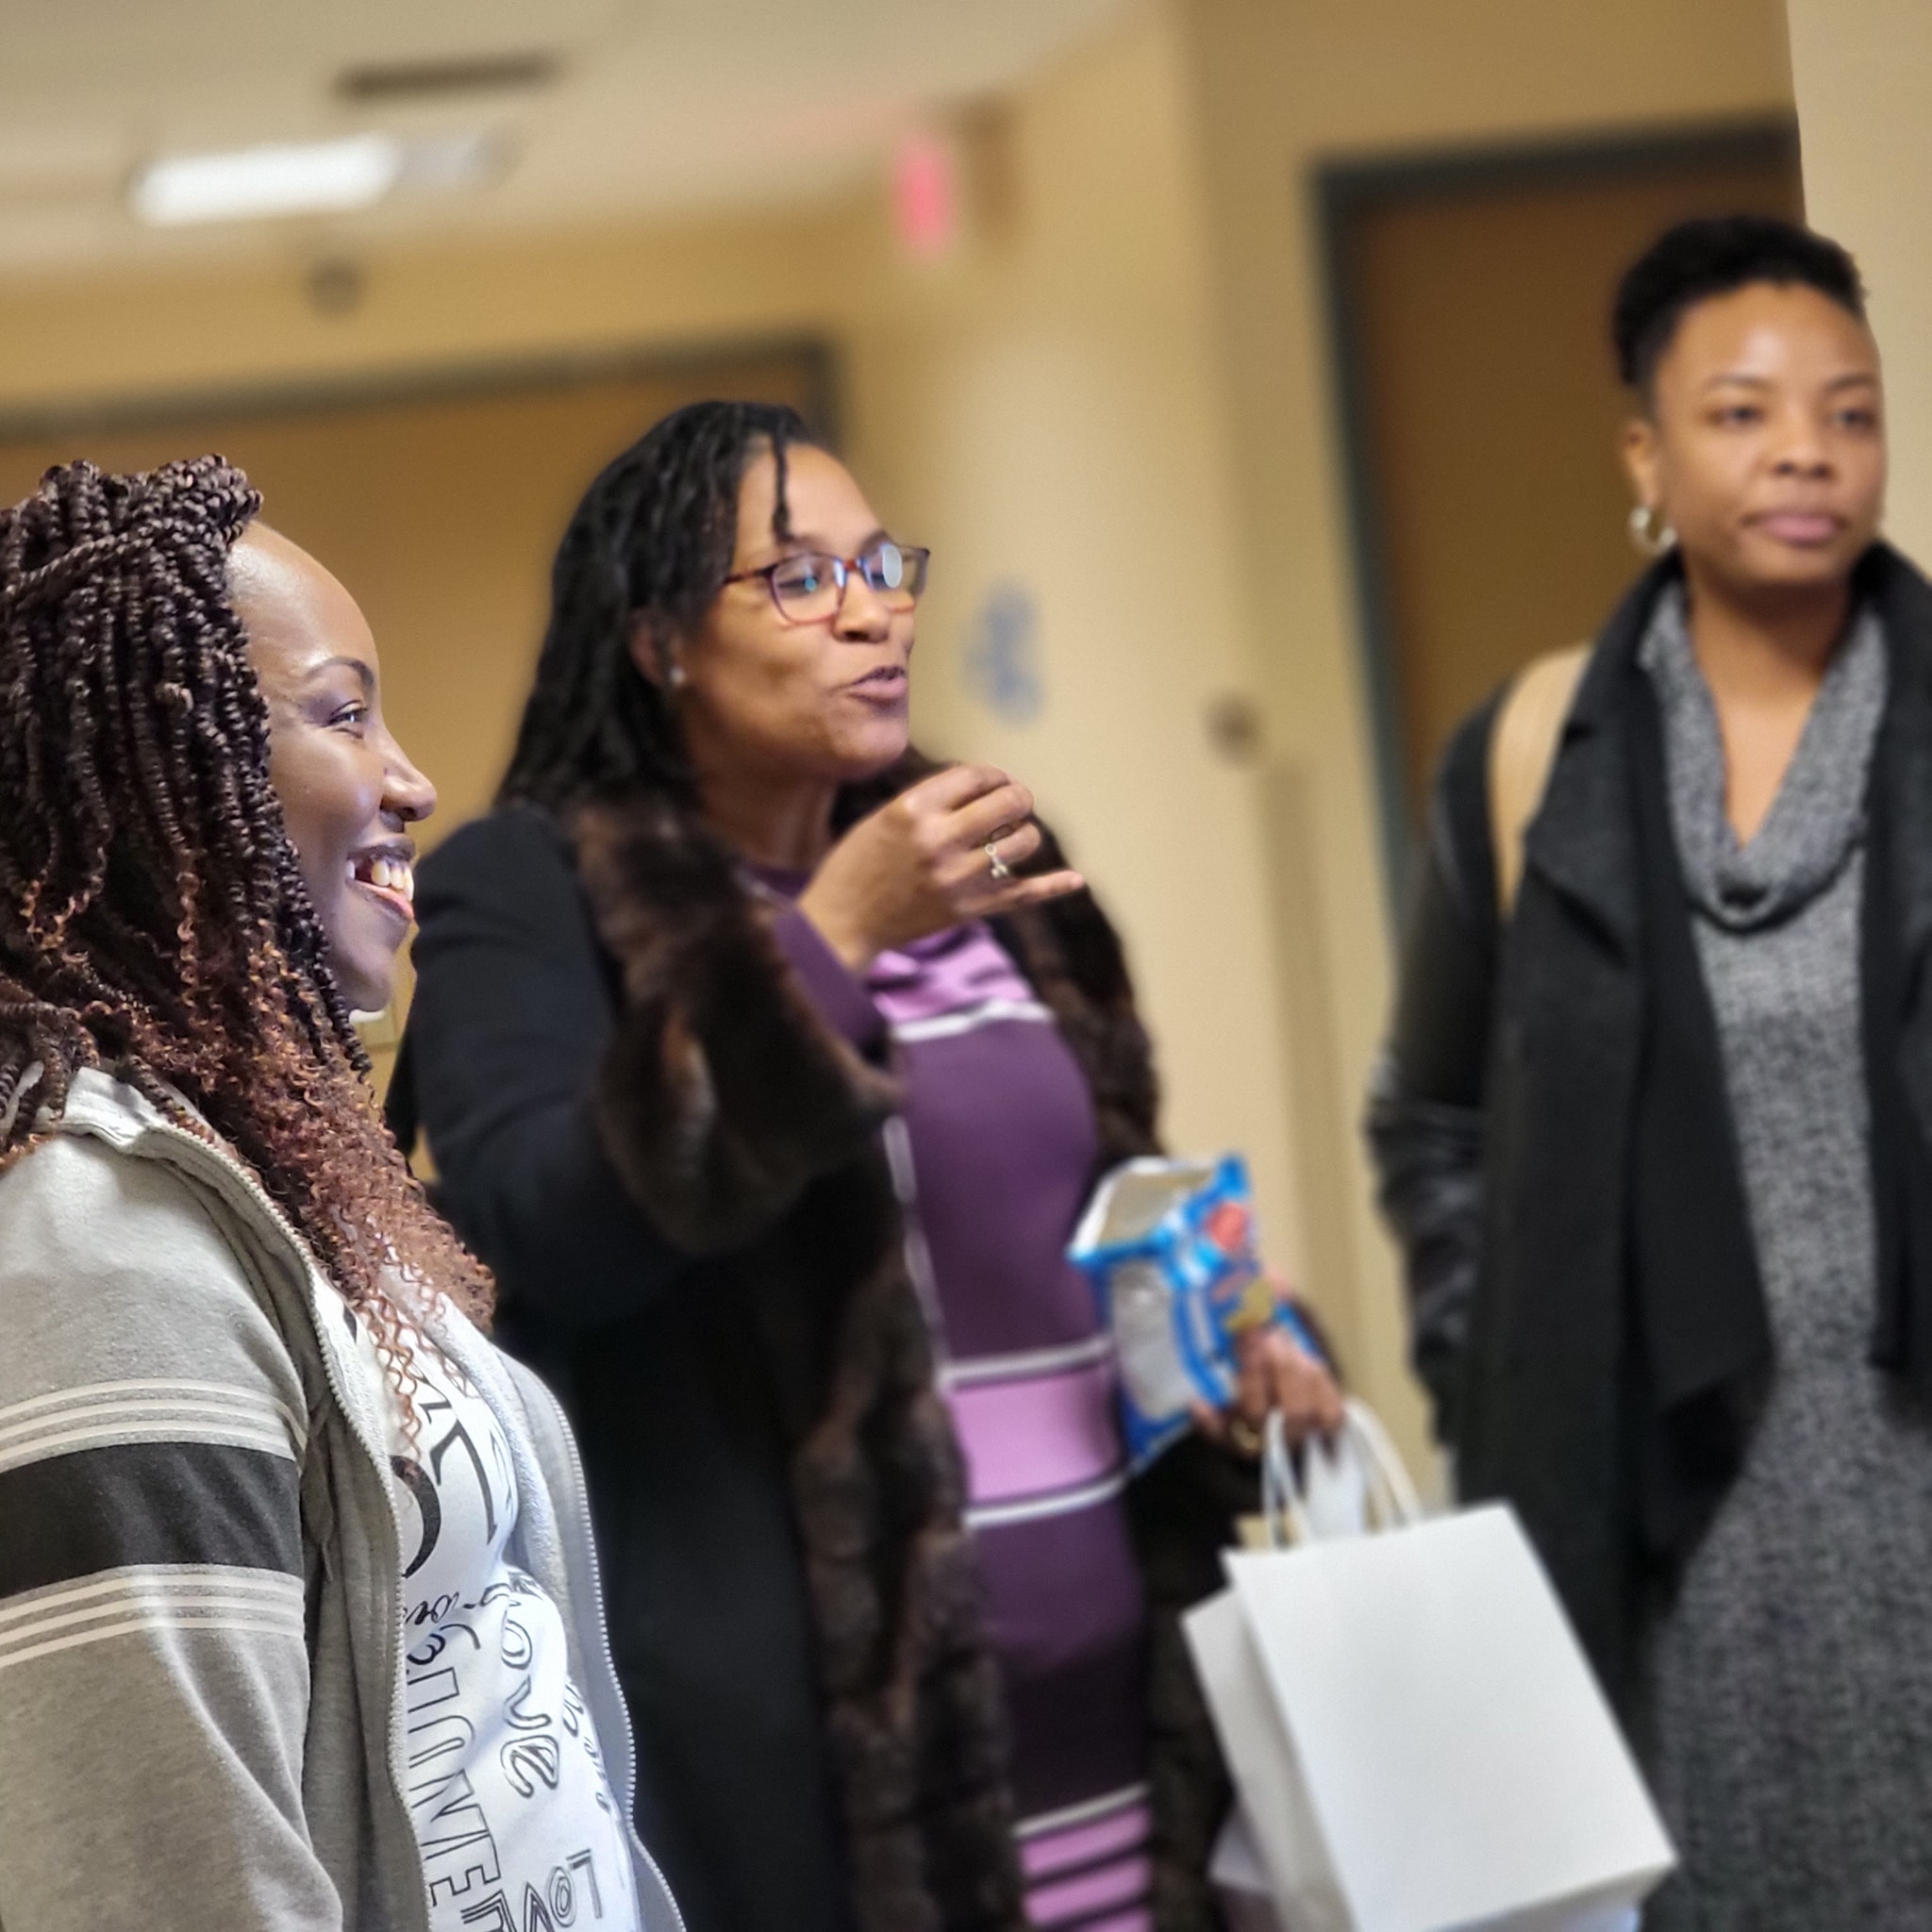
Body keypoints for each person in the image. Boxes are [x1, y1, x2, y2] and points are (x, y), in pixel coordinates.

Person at [390, 400, 1342, 1932]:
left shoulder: (983, 856)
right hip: (806, 1770)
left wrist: (1235, 1325)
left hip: (1121, 1714)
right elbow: (548, 1236)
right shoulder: (533, 888)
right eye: (799, 578)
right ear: (659, 641)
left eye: (884, 566)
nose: (873, 610)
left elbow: (1098, 1201)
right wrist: (827, 941)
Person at [0, 457, 683, 1932]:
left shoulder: (262, 1172)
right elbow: (171, 1881)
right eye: (343, 713)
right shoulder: (102, 1247)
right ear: (161, 767)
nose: (412, 781)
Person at [1367, 213, 1932, 1924]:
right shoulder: (1538, 756)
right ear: (1646, 456)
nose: (1805, 454)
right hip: (1684, 1517)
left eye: (1848, 412)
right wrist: (1512, 1374)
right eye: (1743, 413)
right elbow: (1433, 1113)